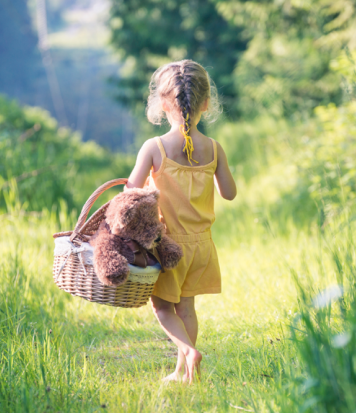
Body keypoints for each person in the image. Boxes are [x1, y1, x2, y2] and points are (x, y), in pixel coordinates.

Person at [126, 59, 236, 384]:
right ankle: (183, 372)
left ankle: (188, 353)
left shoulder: (154, 147)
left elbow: (130, 190)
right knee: (186, 308)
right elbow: (229, 193)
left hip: (169, 247)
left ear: (162, 103)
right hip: (202, 246)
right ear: (206, 103)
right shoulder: (213, 148)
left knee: (162, 309)